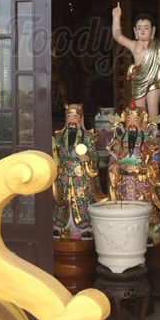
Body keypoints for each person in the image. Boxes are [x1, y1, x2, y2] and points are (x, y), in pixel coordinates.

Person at [107, 103, 160, 245]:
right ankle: (124, 232)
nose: (132, 125)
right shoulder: (119, 141)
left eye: (136, 120)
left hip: (142, 181)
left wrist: (150, 166)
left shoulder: (148, 141)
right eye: (129, 120)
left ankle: (148, 232)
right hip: (123, 181)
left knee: (144, 207)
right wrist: (114, 165)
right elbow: (113, 158)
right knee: (124, 207)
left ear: (142, 123)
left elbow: (156, 159)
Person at [51, 103, 107, 240]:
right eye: (68, 117)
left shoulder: (87, 136)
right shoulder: (59, 136)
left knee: (81, 199)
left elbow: (95, 156)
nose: (71, 121)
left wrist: (88, 158)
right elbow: (55, 153)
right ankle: (60, 225)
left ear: (81, 119)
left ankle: (84, 227)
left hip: (81, 176)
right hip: (64, 175)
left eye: (75, 117)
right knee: (62, 201)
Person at [112, 3, 160, 119]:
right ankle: (141, 129)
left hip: (154, 80)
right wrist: (116, 17)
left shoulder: (158, 45)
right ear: (135, 31)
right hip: (138, 81)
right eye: (139, 28)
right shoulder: (133, 45)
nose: (142, 30)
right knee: (139, 109)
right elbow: (117, 36)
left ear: (153, 30)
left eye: (146, 28)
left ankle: (153, 129)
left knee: (153, 106)